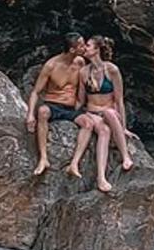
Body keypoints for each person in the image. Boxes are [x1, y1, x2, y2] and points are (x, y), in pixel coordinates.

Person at [25, 32, 108, 176]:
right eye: (81, 45)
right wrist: (30, 115)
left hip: (71, 108)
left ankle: (74, 163)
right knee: (42, 112)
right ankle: (43, 158)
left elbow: (89, 84)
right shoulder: (51, 65)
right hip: (53, 105)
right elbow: (35, 92)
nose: (84, 47)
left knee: (88, 124)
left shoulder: (80, 62)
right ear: (72, 50)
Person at [67, 35, 135, 191]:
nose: (85, 48)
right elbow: (81, 100)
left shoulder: (112, 69)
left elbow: (119, 101)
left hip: (111, 112)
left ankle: (126, 156)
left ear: (97, 49)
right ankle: (101, 178)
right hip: (93, 113)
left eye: (88, 46)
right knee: (104, 131)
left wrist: (123, 127)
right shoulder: (83, 72)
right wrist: (65, 110)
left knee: (110, 113)